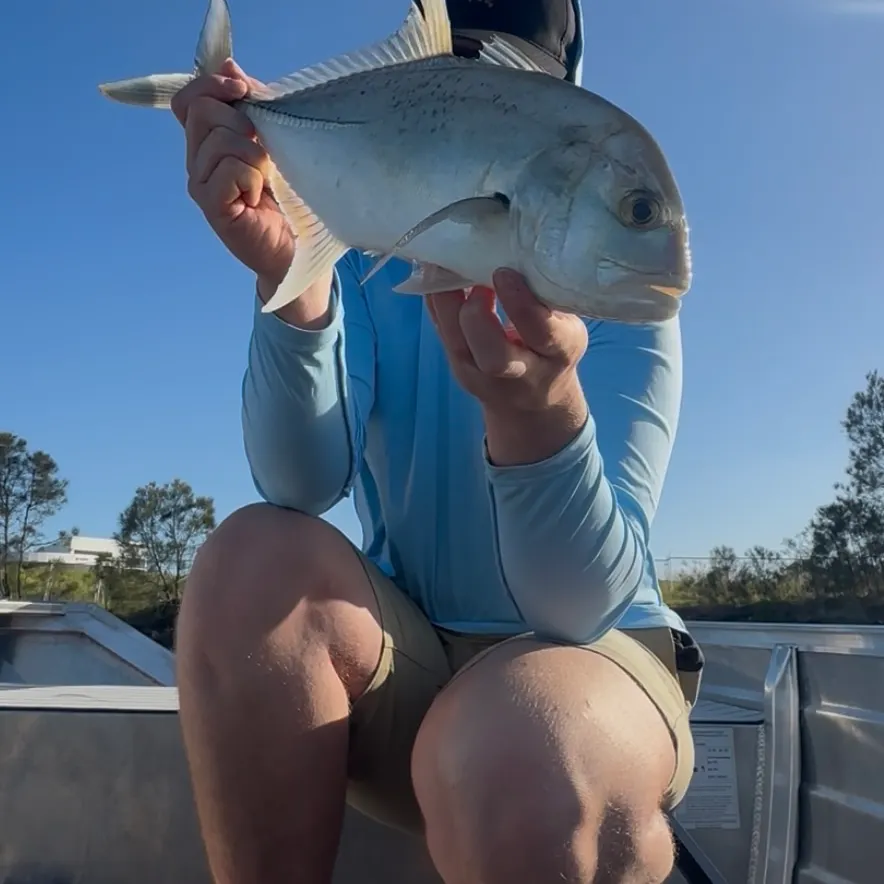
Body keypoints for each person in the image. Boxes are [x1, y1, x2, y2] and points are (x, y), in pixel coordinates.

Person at [171, 0, 704, 882]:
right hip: (408, 653)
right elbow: (298, 485)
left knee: (520, 748)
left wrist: (540, 416)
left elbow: (576, 608)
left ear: (557, 101)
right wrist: (286, 279)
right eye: (448, 87)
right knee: (249, 558)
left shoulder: (620, 291)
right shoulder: (365, 256)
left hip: (596, 665)